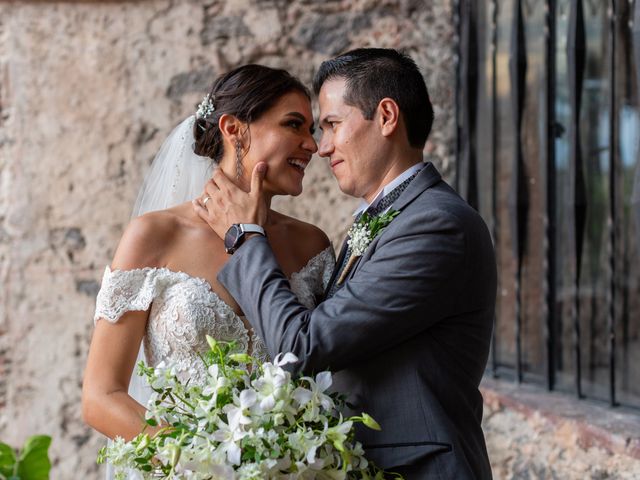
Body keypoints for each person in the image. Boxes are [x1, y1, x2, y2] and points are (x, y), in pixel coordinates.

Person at [193, 48, 497, 479]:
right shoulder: (393, 218)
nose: (322, 147)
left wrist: (245, 236)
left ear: (387, 116)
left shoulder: (436, 225)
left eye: (332, 124)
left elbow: (300, 347)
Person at [81, 65, 335, 478]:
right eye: (294, 125)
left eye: (312, 129)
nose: (312, 145)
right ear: (235, 129)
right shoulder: (154, 235)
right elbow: (101, 396)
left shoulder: (312, 246)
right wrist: (207, 465)